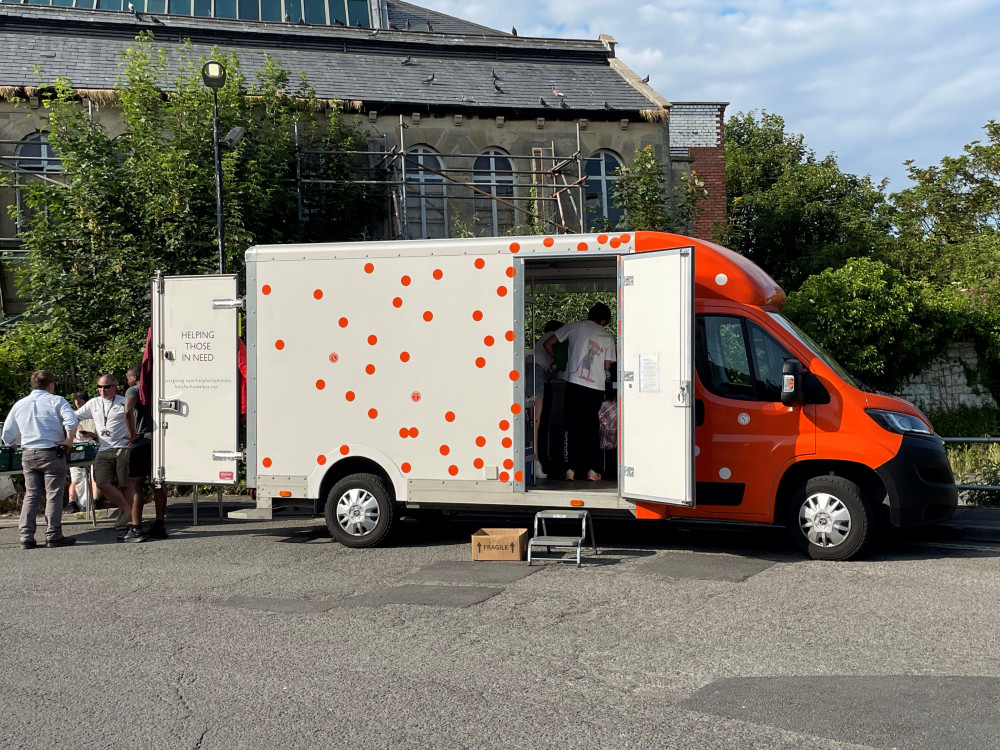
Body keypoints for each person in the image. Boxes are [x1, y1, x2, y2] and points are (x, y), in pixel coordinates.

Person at [1, 370, 79, 549]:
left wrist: (14, 446)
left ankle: (26, 536)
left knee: (31, 494)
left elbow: (7, 433)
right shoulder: (57, 400)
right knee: (53, 494)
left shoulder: (20, 404)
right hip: (52, 452)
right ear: (50, 385)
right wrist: (68, 440)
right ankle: (53, 534)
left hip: (28, 452)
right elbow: (72, 421)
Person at [545, 302, 616, 481]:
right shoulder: (607, 336)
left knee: (571, 425)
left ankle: (570, 469)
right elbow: (607, 365)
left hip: (574, 384)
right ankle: (593, 470)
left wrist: (562, 362)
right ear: (604, 320)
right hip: (596, 388)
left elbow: (548, 344)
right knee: (592, 427)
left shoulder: (574, 326)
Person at [75, 374, 132, 530]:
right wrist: (73, 432)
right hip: (104, 448)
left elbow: (137, 418)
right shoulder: (93, 403)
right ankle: (128, 510)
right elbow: (74, 417)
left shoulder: (123, 401)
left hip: (123, 447)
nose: (103, 390)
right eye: (100, 387)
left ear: (115, 387)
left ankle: (122, 518)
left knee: (124, 484)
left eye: (106, 387)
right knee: (101, 483)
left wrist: (134, 435)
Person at [122, 365, 168, 542]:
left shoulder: (133, 390)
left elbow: (127, 411)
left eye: (128, 377)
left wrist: (132, 434)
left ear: (134, 377)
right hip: (160, 442)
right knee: (158, 483)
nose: (127, 380)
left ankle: (136, 527)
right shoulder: (158, 389)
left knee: (136, 484)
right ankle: (159, 524)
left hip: (141, 442)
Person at [530, 320, 564, 480]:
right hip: (536, 372)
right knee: (536, 422)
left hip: (530, 371)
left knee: (530, 421)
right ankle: (536, 464)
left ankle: (532, 461)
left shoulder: (541, 339)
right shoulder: (553, 337)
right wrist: (559, 360)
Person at [66, 391, 99, 514]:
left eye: (80, 400)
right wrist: (75, 440)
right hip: (77, 448)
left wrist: (93, 436)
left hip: (92, 448)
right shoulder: (72, 416)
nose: (78, 403)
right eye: (77, 400)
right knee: (76, 477)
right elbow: (67, 434)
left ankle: (94, 502)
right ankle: (72, 503)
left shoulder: (93, 415)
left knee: (93, 477)